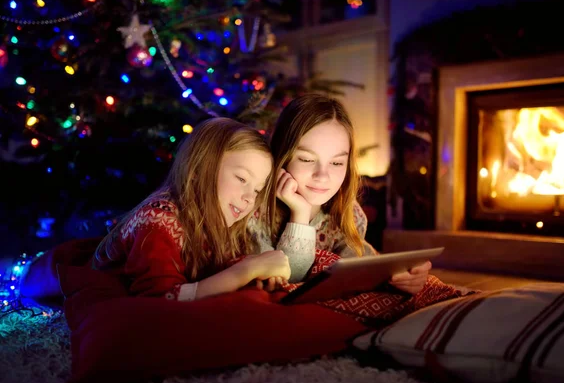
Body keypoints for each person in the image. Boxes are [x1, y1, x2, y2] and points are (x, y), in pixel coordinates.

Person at [248, 93, 431, 294]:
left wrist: (402, 275)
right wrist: (300, 214)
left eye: (336, 163)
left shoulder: (346, 211)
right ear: (282, 156)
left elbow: (357, 262)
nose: (322, 176)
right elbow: (292, 279)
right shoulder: (253, 210)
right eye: (307, 160)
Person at [93, 117, 291, 301]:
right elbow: (161, 300)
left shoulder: (222, 219)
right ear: (198, 169)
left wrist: (257, 273)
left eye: (257, 190)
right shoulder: (156, 220)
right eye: (241, 179)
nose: (249, 198)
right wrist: (247, 270)